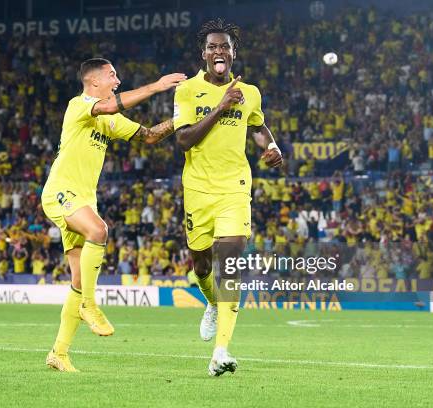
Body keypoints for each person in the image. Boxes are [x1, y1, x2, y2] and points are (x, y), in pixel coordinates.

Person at [41, 58, 186, 372]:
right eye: (112, 75)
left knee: (78, 279)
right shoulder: (78, 105)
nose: (117, 80)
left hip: (84, 200)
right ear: (94, 82)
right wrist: (157, 86)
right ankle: (89, 305)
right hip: (60, 193)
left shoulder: (109, 120)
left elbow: (148, 135)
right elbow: (106, 107)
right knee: (99, 231)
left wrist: (179, 119)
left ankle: (59, 353)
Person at [173, 19, 282, 376]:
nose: (219, 52)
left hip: (235, 187)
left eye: (225, 47)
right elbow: (184, 140)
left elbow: (258, 126)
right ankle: (212, 303)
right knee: (202, 265)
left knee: (229, 261)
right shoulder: (187, 91)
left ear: (234, 53)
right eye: (213, 47)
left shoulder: (250, 92)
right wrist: (220, 106)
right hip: (198, 189)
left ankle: (221, 351)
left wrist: (272, 146)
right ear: (203, 54)